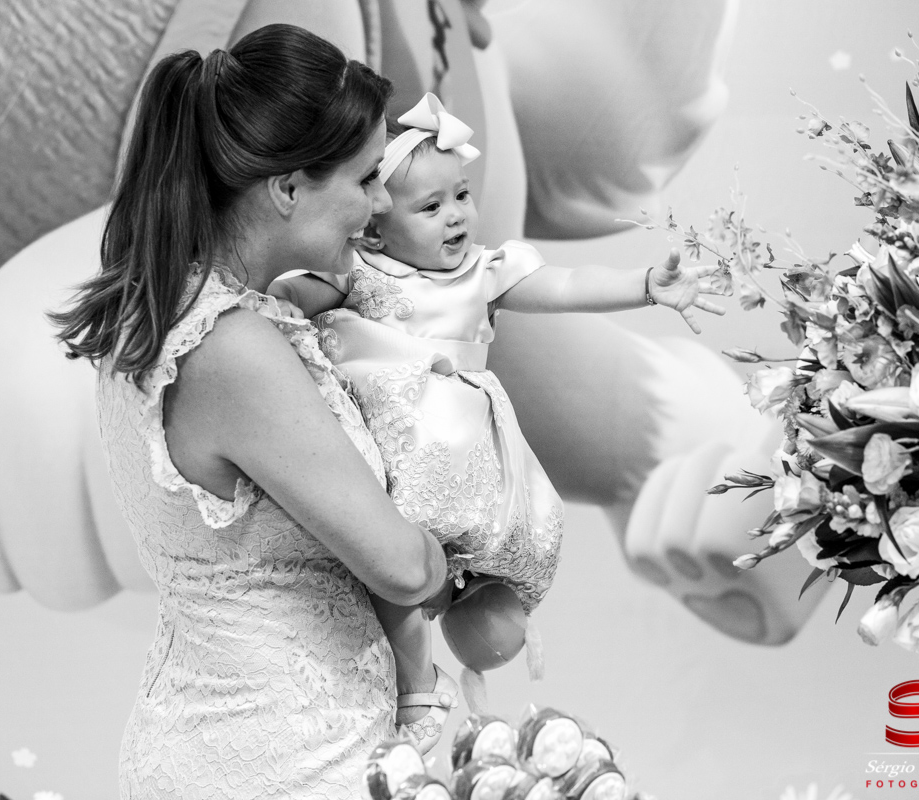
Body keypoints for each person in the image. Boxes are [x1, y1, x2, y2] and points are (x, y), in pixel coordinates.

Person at [49, 25, 454, 799]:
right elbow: (401, 567)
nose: (380, 205)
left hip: (221, 744)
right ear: (289, 187)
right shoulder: (231, 347)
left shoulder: (159, 313)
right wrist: (450, 550)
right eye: (367, 178)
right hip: (286, 766)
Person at [268, 93, 727, 751]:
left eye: (461, 195)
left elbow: (567, 286)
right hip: (390, 450)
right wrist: (276, 296)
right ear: (374, 228)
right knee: (393, 563)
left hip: (462, 450)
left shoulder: (484, 272)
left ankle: (472, 613)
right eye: (431, 207)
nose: (456, 215)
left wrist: (644, 284)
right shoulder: (359, 271)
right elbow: (293, 292)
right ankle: (413, 679)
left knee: (468, 558)